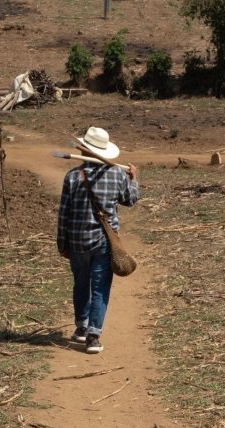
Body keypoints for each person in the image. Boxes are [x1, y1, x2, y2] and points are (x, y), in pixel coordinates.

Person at [57, 126, 139, 354]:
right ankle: (93, 335)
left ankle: (81, 327)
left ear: (85, 151)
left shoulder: (73, 176)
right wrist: (133, 180)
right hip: (104, 242)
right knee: (101, 287)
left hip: (77, 242)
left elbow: (63, 213)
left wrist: (61, 244)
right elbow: (130, 200)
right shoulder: (117, 175)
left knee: (80, 284)